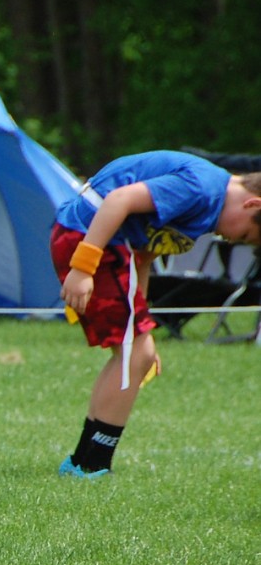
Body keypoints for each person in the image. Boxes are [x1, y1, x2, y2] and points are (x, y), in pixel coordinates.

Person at [53, 150, 261, 478]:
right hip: (91, 240)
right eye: (247, 235)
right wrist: (83, 268)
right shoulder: (202, 189)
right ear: (254, 205)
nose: (233, 239)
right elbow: (118, 200)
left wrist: (143, 325)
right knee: (136, 355)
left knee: (136, 354)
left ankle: (82, 461)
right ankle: (92, 465)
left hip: (103, 244)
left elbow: (144, 255)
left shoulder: (209, 201)